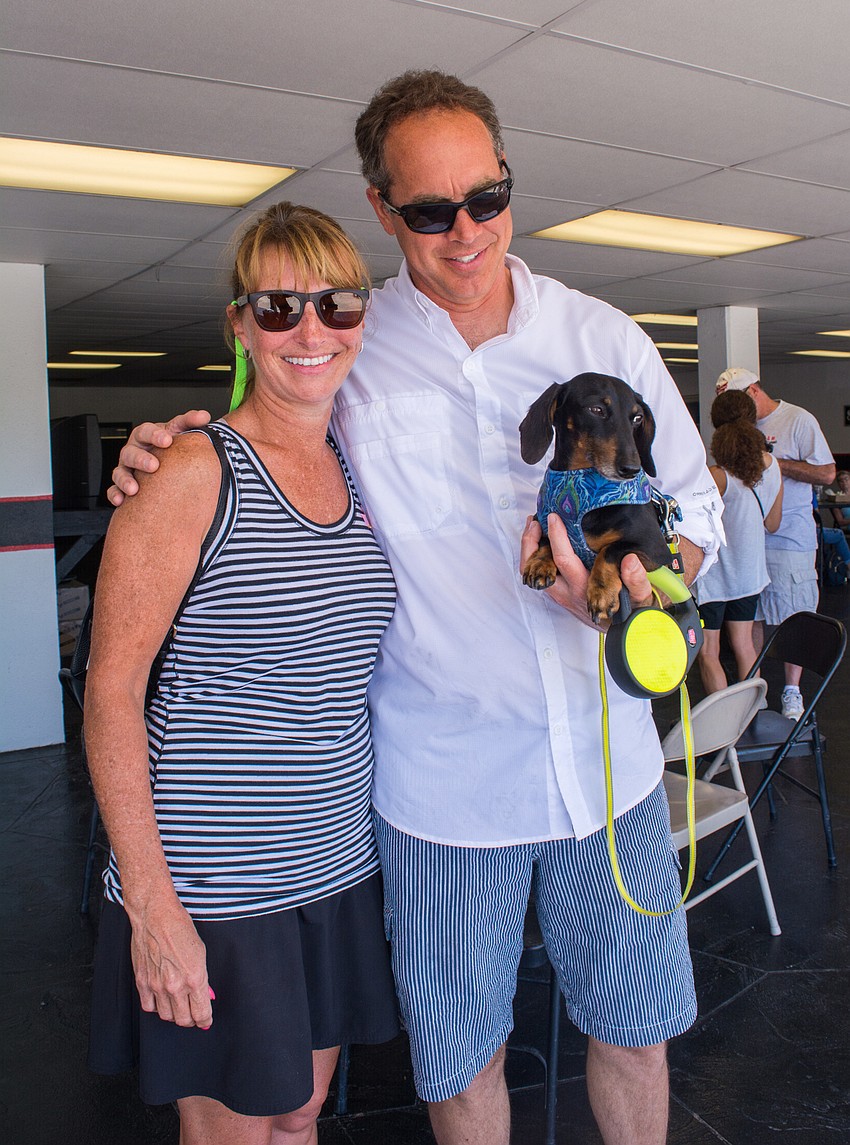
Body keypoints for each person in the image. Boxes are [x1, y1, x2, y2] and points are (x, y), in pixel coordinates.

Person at [110, 70, 723, 1145]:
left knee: (633, 1032)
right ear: (384, 208)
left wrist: (634, 589)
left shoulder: (607, 338)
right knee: (457, 1056)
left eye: (485, 198)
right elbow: (269, 426)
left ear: (507, 188)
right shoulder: (351, 343)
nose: (465, 231)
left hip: (610, 765)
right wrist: (159, 455)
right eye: (431, 210)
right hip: (441, 792)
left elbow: (698, 520)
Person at [85, 203, 400, 1145]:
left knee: (300, 1117)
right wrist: (153, 905)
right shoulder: (189, 469)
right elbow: (109, 691)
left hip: (337, 867)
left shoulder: (361, 457)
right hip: (215, 889)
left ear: (362, 316)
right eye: (277, 306)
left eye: (336, 303)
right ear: (239, 324)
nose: (311, 329)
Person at [715, 367, 836, 718]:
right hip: (749, 541)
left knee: (792, 616)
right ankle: (756, 692)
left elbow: (827, 473)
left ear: (753, 391)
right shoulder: (738, 429)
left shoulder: (798, 420)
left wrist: (774, 466)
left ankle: (792, 692)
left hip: (789, 538)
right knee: (749, 619)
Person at [694, 389, 783, 693]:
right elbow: (772, 523)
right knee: (745, 645)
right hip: (749, 573)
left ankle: (724, 729)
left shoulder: (716, 477)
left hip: (714, 578)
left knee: (709, 651)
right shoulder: (772, 466)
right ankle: (752, 716)